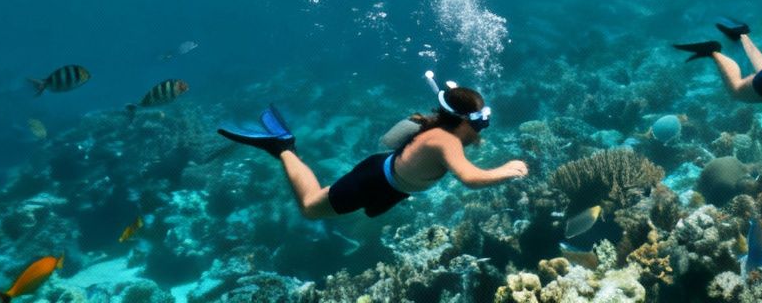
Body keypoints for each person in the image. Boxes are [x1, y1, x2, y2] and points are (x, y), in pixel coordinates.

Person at [216, 71, 528, 220]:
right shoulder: (443, 140)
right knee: (312, 207)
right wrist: (505, 170)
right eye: (479, 119)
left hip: (392, 184)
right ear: (461, 120)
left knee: (360, 213)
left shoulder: (448, 131)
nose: (482, 125)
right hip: (376, 178)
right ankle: (282, 147)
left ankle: (283, 146)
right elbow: (471, 179)